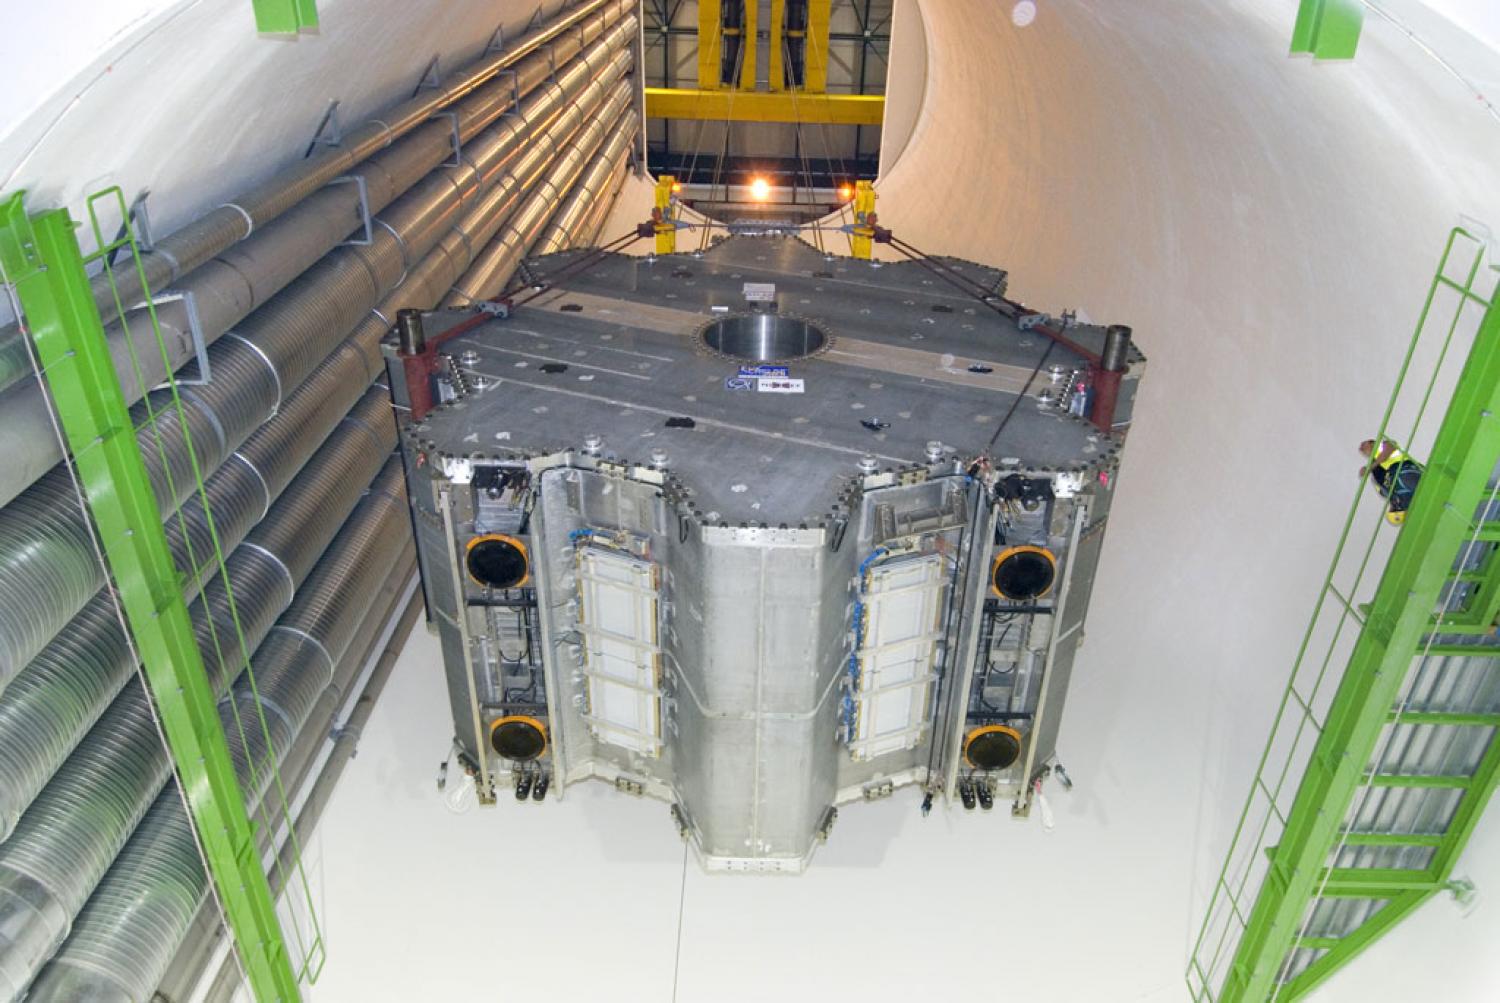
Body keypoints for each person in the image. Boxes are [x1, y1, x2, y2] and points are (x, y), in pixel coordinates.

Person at [1359, 438, 1423, 524]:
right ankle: (1402, 507)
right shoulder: (1375, 474)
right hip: (1402, 486)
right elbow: (1384, 493)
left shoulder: (1384, 445)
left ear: (1372, 443)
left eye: (1363, 445)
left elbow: (1389, 449)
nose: (1361, 448)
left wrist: (1370, 467)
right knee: (1394, 511)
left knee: (1398, 489)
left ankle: (1403, 505)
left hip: (1407, 473)